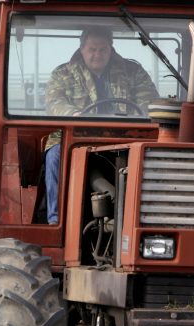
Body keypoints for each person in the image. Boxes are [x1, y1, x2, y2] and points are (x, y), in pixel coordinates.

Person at [44, 26, 158, 224]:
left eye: (102, 49)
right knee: (55, 155)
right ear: (82, 49)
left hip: (124, 137)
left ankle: (148, 218)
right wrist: (73, 114)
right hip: (75, 136)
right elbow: (55, 102)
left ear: (111, 48)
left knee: (153, 157)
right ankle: (56, 220)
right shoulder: (63, 74)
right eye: (92, 49)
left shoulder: (133, 72)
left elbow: (148, 102)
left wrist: (134, 116)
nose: (97, 54)